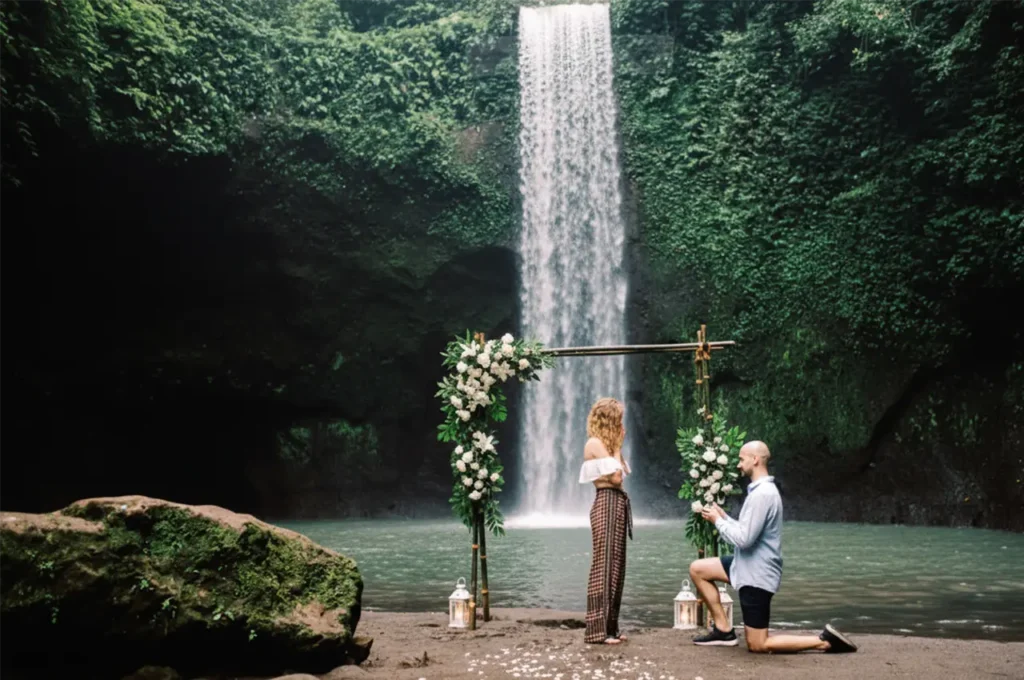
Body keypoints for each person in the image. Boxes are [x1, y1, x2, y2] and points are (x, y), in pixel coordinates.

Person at [689, 440, 857, 653]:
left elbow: (744, 540)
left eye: (742, 459)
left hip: (757, 574)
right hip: (745, 565)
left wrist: (717, 521)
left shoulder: (763, 494)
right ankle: (724, 630)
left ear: (755, 459)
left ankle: (824, 640)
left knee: (758, 644)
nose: (739, 465)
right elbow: (747, 530)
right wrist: (725, 518)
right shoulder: (760, 491)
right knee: (698, 569)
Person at [578, 397, 633, 645]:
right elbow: (616, 478)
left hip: (616, 503)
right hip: (606, 503)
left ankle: (611, 628)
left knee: (616, 567)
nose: (622, 425)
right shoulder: (595, 443)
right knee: (604, 567)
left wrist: (616, 448)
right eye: (618, 419)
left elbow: (619, 474)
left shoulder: (605, 446)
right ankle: (597, 632)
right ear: (609, 420)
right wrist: (619, 447)